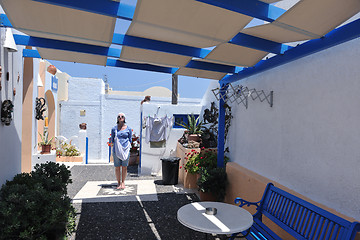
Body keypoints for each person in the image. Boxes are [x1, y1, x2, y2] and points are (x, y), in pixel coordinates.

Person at [111, 112, 132, 190]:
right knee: (117, 167)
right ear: (117, 118)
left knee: (124, 167)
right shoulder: (114, 129)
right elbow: (112, 139)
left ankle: (123, 182)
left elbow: (130, 139)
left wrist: (126, 147)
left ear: (124, 118)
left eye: (122, 116)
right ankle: (118, 182)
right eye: (119, 116)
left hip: (126, 150)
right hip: (116, 150)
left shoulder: (128, 129)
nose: (120, 117)